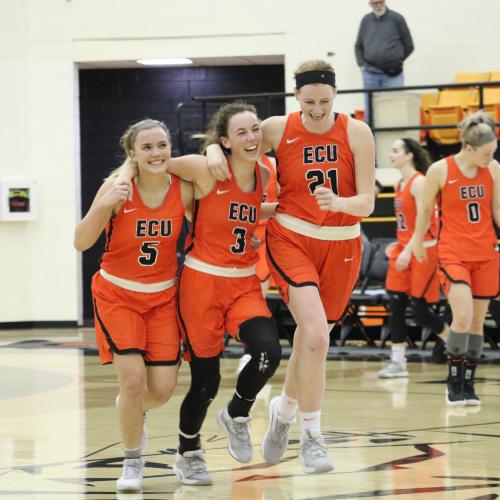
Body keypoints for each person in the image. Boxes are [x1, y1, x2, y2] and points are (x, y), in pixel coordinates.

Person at [207, 59, 375, 474]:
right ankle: (312, 439)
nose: (317, 109)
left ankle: (283, 412)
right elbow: (234, 141)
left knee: (311, 342)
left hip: (342, 244)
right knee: (316, 335)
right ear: (296, 96)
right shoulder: (279, 128)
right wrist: (212, 147)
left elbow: (368, 203)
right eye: (309, 101)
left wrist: (341, 203)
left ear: (336, 96)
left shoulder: (357, 132)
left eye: (325, 100)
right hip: (291, 237)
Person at [162, 102, 282, 486]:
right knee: (205, 382)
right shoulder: (206, 168)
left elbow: (247, 211)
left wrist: (282, 212)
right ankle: (188, 452)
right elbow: (160, 161)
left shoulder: (266, 171)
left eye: (255, 129)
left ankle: (237, 413)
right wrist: (209, 149)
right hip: (202, 284)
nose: (252, 137)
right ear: (227, 140)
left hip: (244, 281)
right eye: (241, 132)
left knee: (269, 351)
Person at [74, 119, 191, 492]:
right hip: (117, 295)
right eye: (147, 147)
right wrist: (102, 206)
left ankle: (132, 409)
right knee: (133, 380)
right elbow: (80, 241)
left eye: (162, 145)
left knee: (161, 390)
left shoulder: (183, 189)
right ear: (133, 154)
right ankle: (131, 460)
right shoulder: (117, 188)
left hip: (162, 297)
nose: (156, 153)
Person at [413, 111, 500, 406]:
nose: (490, 158)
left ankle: (468, 383)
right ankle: (453, 382)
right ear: (469, 148)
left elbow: (497, 212)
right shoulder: (440, 170)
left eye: (493, 153)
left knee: (477, 323)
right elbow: (424, 210)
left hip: (487, 253)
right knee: (461, 315)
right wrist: (416, 240)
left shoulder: (494, 169)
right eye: (486, 154)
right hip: (453, 253)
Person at [378, 138, 449, 379]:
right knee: (396, 305)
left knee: (419, 311)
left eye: (396, 150)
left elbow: (425, 221)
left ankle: (455, 343)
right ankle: (398, 363)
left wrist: (409, 249)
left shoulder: (419, 183)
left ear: (409, 155)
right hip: (404, 248)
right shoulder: (400, 182)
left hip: (423, 251)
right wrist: (400, 247)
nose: (391, 154)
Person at [237, 154, 279, 375]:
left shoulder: (272, 163)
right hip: (240, 234)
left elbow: (283, 198)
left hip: (268, 234)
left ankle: (254, 352)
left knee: (258, 298)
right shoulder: (230, 162)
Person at [354, 0, 414, 125]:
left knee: (394, 108)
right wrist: (362, 64)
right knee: (370, 111)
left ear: (384, 1)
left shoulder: (397, 18)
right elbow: (358, 45)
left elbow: (409, 45)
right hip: (370, 74)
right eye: (374, 3)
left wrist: (396, 60)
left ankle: (392, 141)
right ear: (370, 4)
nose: (378, 5)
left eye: (380, 2)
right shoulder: (366, 20)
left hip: (394, 75)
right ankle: (371, 142)